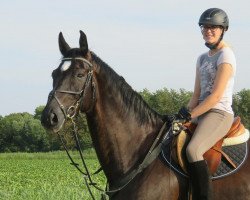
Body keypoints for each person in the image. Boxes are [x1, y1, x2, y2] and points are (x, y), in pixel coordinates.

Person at [177, 8, 236, 200]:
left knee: (193, 150)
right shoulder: (201, 58)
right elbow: (197, 95)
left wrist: (190, 115)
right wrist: (182, 113)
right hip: (201, 112)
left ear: (223, 30)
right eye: (205, 27)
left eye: (213, 27)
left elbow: (216, 96)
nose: (208, 31)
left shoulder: (226, 55)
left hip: (218, 113)